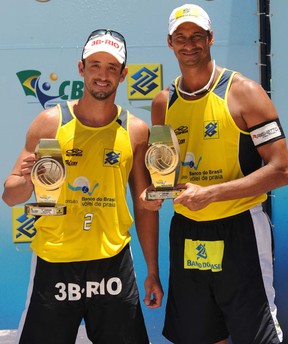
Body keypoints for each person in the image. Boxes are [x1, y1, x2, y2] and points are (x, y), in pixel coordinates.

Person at [2, 28, 163, 344]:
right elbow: (11, 195)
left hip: (113, 263)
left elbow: (144, 206)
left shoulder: (136, 130)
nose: (102, 75)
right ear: (81, 68)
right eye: (95, 65)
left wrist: (153, 270)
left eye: (111, 67)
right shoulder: (50, 122)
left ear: (123, 74)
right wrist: (24, 179)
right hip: (56, 263)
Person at [142, 4, 288, 344]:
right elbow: (163, 172)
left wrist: (212, 193)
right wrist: (152, 195)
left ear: (210, 38)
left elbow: (282, 169)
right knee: (201, 337)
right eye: (181, 37)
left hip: (240, 228)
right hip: (186, 231)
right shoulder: (163, 102)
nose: (189, 44)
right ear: (169, 42)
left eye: (197, 36)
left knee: (257, 337)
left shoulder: (244, 92)